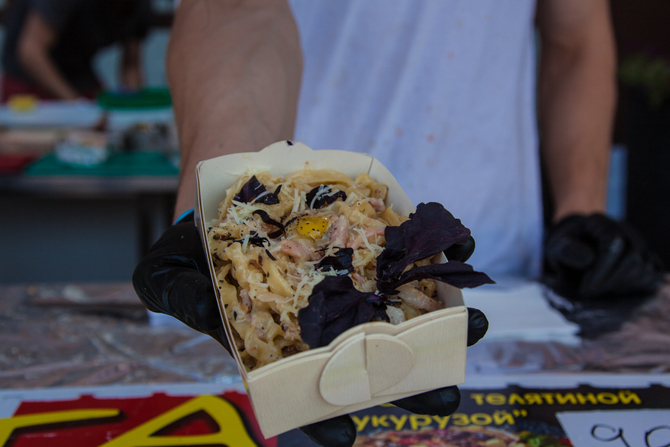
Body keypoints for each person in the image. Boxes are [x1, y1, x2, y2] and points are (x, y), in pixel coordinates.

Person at [133, 1, 663, 446]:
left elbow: (575, 36)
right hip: (294, 257)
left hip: (502, 282)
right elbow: (236, 12)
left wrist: (580, 212)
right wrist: (221, 198)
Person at [1, 0, 152, 102]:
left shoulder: (140, 6)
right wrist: (75, 104)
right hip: (28, 82)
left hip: (80, 77)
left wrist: (137, 109)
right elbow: (30, 52)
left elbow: (131, 65)